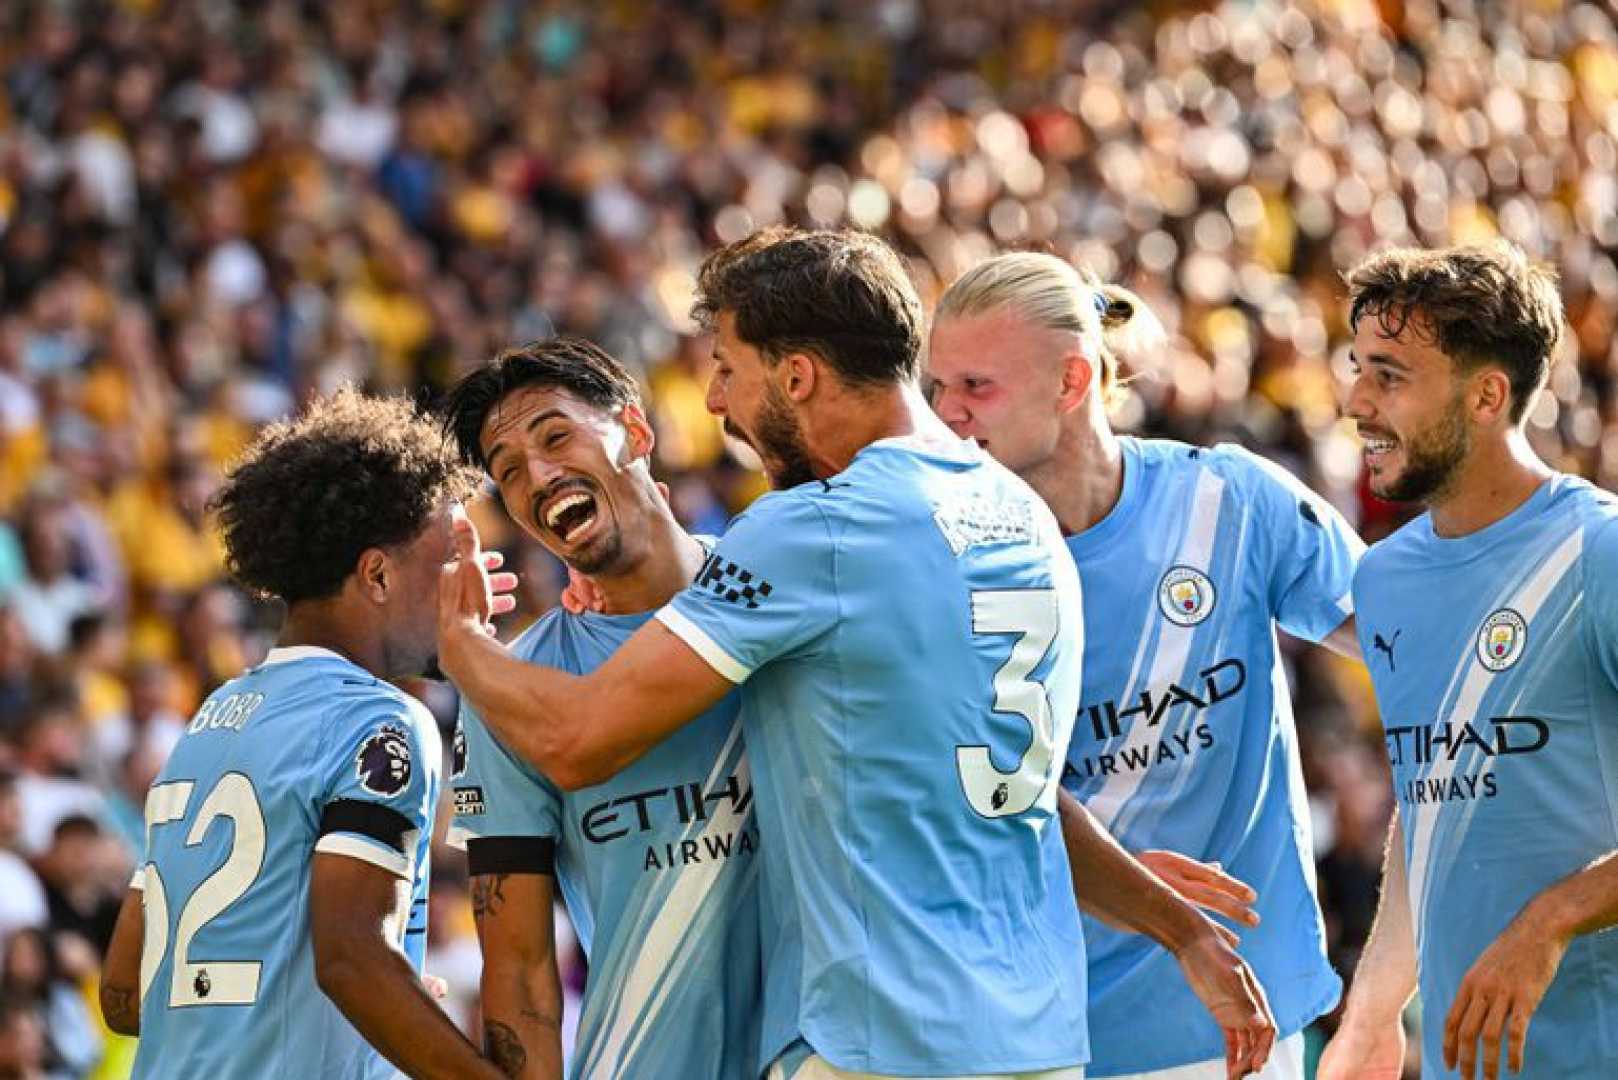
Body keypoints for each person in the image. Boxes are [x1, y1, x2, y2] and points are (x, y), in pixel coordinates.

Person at [438, 228, 1275, 1080]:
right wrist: (1179, 928)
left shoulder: (810, 534)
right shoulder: (1018, 511)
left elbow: (577, 738)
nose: (718, 403)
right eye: (510, 469)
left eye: (728, 369)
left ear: (796, 377)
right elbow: (1010, 787)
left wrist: (461, 644)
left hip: (879, 1040)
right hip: (1037, 1038)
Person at [927, 253, 1365, 1080]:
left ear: (1071, 381)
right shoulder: (945, 562)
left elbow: (1406, 643)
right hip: (1048, 1034)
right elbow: (970, 802)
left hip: (1244, 1022)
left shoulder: (1230, 500)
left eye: (975, 387)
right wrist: (1114, 879)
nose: (947, 412)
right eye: (937, 387)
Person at [97, 389, 511, 1080]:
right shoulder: (379, 720)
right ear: (376, 574)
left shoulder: (208, 721)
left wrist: (376, 1010)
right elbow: (350, 960)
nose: (470, 584)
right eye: (449, 561)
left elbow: (123, 992)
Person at [1320, 241, 1618, 1080]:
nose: (1356, 402)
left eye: (1389, 376)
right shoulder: (1385, 579)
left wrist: (1552, 920)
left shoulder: (1597, 552)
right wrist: (1373, 1014)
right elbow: (1434, 806)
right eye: (1357, 369)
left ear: (1487, 396)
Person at [440, 337, 761, 1079]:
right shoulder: (509, 688)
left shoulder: (773, 592)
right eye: (508, 471)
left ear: (636, 431)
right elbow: (521, 975)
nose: (538, 475)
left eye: (557, 437)